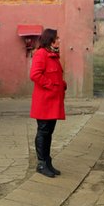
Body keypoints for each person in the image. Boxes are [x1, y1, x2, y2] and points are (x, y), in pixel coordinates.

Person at [29, 28, 65, 178]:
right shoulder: (41, 54)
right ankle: (42, 163)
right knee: (43, 132)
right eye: (56, 38)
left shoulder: (53, 55)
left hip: (52, 100)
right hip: (45, 101)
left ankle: (47, 161)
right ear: (50, 40)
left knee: (48, 132)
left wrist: (62, 84)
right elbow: (35, 74)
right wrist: (51, 85)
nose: (59, 40)